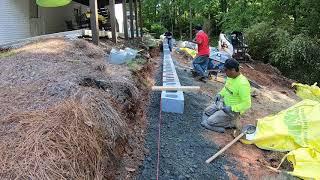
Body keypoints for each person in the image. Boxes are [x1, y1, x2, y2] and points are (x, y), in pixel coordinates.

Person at [201, 58, 251, 133]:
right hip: (223, 105)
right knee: (206, 112)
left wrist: (232, 108)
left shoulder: (242, 84)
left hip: (232, 111)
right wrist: (220, 94)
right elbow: (226, 88)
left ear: (233, 70)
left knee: (209, 121)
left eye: (226, 70)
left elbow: (247, 104)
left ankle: (231, 123)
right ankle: (214, 122)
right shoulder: (230, 77)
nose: (225, 72)